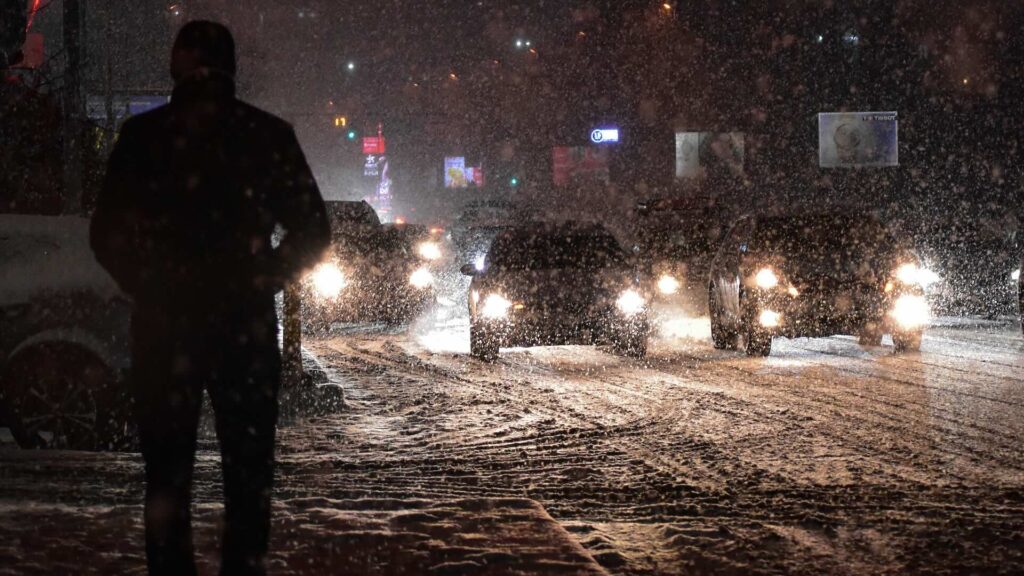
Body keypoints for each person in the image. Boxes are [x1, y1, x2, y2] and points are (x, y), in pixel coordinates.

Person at [90, 21, 329, 576]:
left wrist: (150, 282)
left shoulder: (145, 136)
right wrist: (262, 275)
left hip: (165, 324)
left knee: (166, 470)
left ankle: (171, 568)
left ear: (177, 64)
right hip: (241, 326)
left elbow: (107, 233)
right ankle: (241, 568)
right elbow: (312, 229)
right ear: (232, 67)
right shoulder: (266, 136)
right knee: (247, 471)